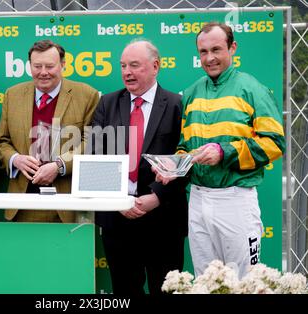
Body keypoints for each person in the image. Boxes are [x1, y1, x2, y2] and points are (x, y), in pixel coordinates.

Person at [154, 22, 285, 279]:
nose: (210, 58)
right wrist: (175, 168)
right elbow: (185, 147)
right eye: (203, 52)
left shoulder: (252, 89)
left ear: (232, 48)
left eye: (216, 49)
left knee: (244, 280)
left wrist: (224, 152)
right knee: (206, 280)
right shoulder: (191, 93)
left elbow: (275, 143)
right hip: (199, 199)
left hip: (235, 199)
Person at [90, 39, 188, 294]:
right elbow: (96, 154)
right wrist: (120, 199)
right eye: (123, 66)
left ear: (155, 66)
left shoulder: (178, 104)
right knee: (124, 291)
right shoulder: (107, 103)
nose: (127, 72)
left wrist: (156, 196)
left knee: (165, 290)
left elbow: (185, 157)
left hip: (163, 218)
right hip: (117, 218)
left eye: (134, 65)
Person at [0, 40, 99, 223]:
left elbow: (92, 142)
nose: (43, 72)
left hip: (68, 204)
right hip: (22, 204)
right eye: (37, 66)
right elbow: (3, 141)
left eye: (50, 66)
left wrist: (59, 166)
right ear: (30, 66)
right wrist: (15, 159)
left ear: (63, 65)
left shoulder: (86, 95)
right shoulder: (12, 95)